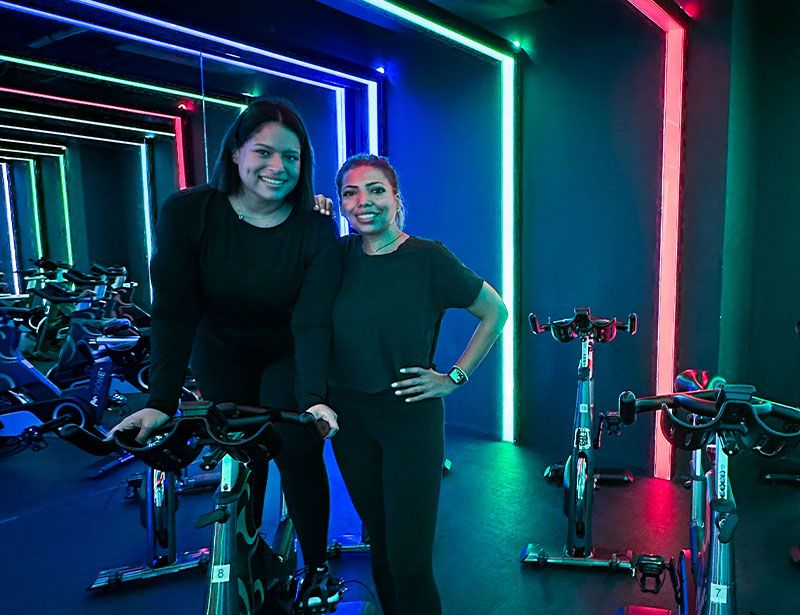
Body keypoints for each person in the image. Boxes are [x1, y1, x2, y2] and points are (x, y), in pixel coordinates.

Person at [107, 98, 342, 607]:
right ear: (235, 151)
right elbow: (174, 311)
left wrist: (314, 399)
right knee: (242, 453)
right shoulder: (189, 212)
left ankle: (317, 566)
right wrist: (161, 401)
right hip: (221, 350)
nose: (278, 167)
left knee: (298, 449)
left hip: (287, 352)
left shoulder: (315, 228)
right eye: (264, 151)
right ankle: (249, 555)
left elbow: (312, 321)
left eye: (292, 157)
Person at [328, 154, 508, 614]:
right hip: (349, 418)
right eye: (350, 192)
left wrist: (455, 376)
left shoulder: (428, 258)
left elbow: (496, 312)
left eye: (375, 190)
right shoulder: (338, 257)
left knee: (409, 559)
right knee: (382, 548)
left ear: (396, 198)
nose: (363, 201)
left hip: (410, 418)